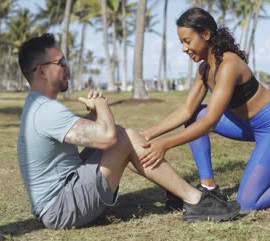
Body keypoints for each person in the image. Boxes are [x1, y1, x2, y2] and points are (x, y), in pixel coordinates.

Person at [16, 33, 240, 229]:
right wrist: (102, 105)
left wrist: (93, 116)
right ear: (42, 71)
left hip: (62, 199)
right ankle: (195, 200)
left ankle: (183, 195)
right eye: (61, 62)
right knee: (122, 136)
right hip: (61, 209)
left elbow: (79, 132)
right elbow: (107, 137)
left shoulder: (39, 106)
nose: (66, 67)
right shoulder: (45, 110)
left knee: (126, 136)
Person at [140, 7, 270, 212]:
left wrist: (165, 144)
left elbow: (211, 121)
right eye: (182, 42)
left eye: (187, 41)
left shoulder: (229, 64)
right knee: (195, 114)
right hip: (245, 124)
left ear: (206, 35)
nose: (184, 48)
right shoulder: (204, 69)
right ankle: (208, 187)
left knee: (247, 203)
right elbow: (186, 109)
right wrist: (148, 134)